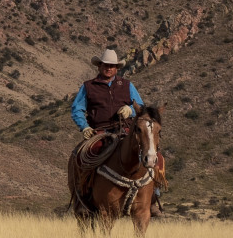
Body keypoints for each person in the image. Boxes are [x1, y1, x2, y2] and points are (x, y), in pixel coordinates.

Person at [70, 48, 163, 216]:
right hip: (100, 132)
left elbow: (141, 108)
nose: (109, 68)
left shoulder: (127, 85)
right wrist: (84, 127)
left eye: (112, 66)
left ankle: (153, 197)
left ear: (117, 68)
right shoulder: (88, 87)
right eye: (106, 65)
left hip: (126, 130)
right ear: (99, 66)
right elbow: (77, 109)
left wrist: (130, 109)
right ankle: (82, 198)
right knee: (84, 155)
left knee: (155, 154)